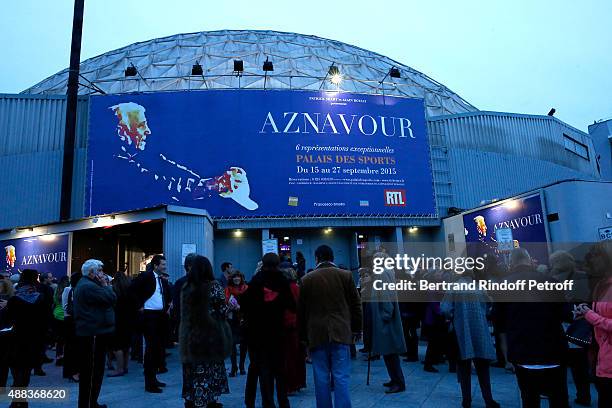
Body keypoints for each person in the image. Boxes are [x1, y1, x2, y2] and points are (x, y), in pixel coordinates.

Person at [495, 248, 571, 408]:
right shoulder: (550, 281)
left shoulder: (503, 285)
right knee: (559, 397)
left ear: (511, 262)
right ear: (529, 260)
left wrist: (506, 354)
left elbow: (499, 323)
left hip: (522, 351)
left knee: (529, 399)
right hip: (553, 350)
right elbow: (565, 313)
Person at [298, 245, 362, 408]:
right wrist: (356, 328)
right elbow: (356, 305)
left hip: (316, 334)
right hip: (341, 332)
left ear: (317, 258)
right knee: (341, 376)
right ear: (332, 257)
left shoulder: (307, 279)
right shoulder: (345, 276)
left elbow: (302, 312)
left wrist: (303, 337)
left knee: (321, 377)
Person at [242, 253, 295, 408]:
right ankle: (283, 402)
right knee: (280, 371)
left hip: (258, 334)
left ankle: (268, 402)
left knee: (264, 371)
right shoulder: (283, 281)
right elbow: (292, 305)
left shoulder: (256, 281)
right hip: (278, 333)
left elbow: (244, 305)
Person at [179, 255, 231, 408]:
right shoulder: (214, 286)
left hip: (189, 336)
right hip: (209, 337)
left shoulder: (186, 286)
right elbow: (222, 311)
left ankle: (191, 399)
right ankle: (208, 400)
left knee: (192, 370)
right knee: (209, 370)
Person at [441, 272, 499, 408]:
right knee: (483, 368)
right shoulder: (479, 287)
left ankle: (466, 401)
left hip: (462, 332)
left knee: (464, 368)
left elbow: (445, 308)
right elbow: (489, 306)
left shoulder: (453, 288)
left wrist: (452, 316)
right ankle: (488, 399)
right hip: (480, 331)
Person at [549, 250, 592, 406]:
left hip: (565, 328)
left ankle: (563, 398)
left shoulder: (553, 280)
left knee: (562, 367)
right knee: (580, 366)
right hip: (584, 326)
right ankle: (584, 395)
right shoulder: (583, 276)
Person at [73, 260, 116, 408]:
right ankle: (88, 403)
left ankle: (91, 402)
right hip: (93, 333)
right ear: (92, 272)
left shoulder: (86, 284)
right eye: (100, 271)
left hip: (92, 331)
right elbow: (111, 298)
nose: (103, 274)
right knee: (92, 371)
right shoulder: (89, 286)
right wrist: (105, 286)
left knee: (93, 370)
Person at [576, 243, 612, 408]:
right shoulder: (600, 285)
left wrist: (590, 315)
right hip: (600, 357)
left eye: (595, 259)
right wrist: (584, 311)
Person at [129, 254, 172, 393]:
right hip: (149, 316)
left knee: (158, 348)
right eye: (163, 265)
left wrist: (167, 306)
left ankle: (154, 378)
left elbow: (165, 294)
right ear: (156, 265)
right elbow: (132, 290)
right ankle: (149, 383)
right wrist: (138, 305)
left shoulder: (161, 279)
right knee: (151, 349)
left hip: (160, 316)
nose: (165, 267)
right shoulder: (146, 276)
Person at [5, 269, 46, 406]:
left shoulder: (14, 299)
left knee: (16, 370)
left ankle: (17, 400)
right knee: (26, 371)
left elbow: (7, 320)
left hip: (16, 338)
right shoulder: (41, 298)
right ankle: (21, 400)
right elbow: (45, 321)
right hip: (34, 339)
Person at [368, 254, 406, 394]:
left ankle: (398, 382)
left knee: (390, 352)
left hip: (385, 320)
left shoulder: (382, 274)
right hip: (385, 318)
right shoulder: (385, 272)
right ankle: (394, 379)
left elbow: (385, 295)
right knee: (388, 352)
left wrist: (386, 314)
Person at [280, 267, 307, 394]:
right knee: (298, 355)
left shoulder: (282, 289)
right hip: (298, 324)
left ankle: (290, 384)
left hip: (286, 325)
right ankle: (299, 382)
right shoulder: (298, 288)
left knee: (287, 356)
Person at [107, 271, 133, 377]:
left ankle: (119, 368)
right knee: (126, 345)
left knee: (117, 346)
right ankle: (125, 367)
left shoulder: (114, 289)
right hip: (129, 319)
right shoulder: (130, 289)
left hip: (117, 319)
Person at [225, 271, 248, 377]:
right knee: (232, 344)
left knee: (244, 344)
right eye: (234, 277)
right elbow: (225, 301)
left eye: (238, 276)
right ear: (231, 279)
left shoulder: (246, 288)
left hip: (244, 318)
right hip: (232, 319)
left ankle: (242, 365)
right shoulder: (228, 289)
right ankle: (234, 367)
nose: (236, 279)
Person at [62, 272, 82, 382]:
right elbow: (66, 306)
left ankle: (70, 371)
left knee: (72, 346)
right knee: (72, 347)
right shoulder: (69, 289)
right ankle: (73, 372)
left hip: (71, 319)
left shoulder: (70, 289)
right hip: (70, 319)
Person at [0, 276, 14, 387]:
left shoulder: (8, 302)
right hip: (7, 335)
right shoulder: (12, 302)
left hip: (4, 333)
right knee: (4, 363)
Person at [52, 276, 70, 366]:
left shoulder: (56, 290)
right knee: (67, 339)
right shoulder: (68, 290)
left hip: (57, 314)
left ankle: (59, 357)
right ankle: (66, 358)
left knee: (59, 339)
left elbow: (54, 301)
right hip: (66, 315)